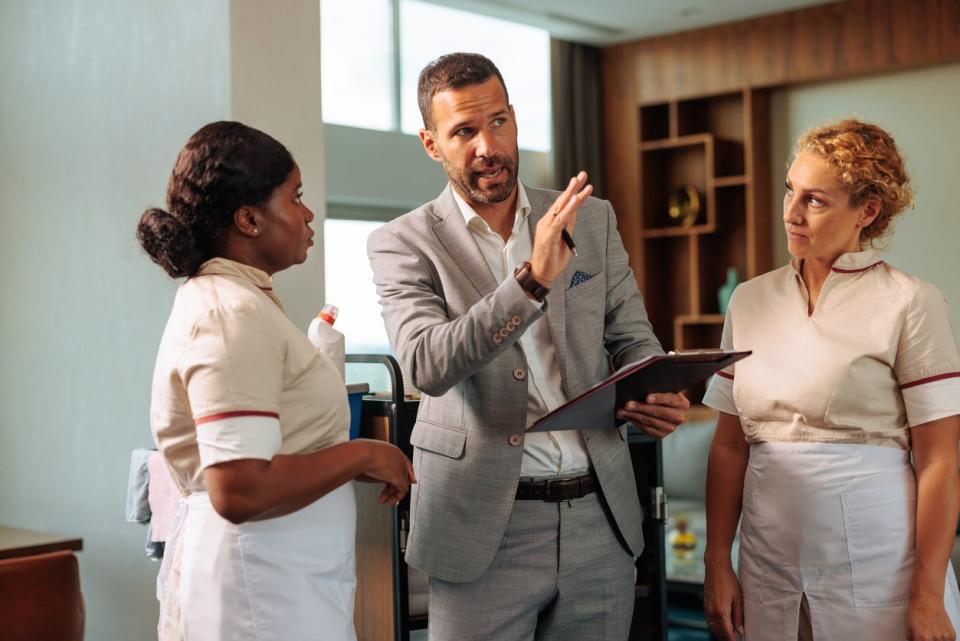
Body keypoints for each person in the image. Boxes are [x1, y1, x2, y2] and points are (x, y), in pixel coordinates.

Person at [367, 53, 689, 641]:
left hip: (599, 517)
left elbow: (633, 336)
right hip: (482, 524)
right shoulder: (402, 243)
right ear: (431, 144)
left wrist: (655, 389)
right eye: (463, 131)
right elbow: (427, 364)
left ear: (514, 119)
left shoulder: (590, 220)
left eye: (498, 122)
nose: (487, 146)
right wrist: (530, 280)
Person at [137, 121, 415, 641]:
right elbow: (239, 489)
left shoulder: (242, 301)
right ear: (249, 219)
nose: (309, 214)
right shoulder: (228, 313)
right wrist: (364, 454)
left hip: (283, 574)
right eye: (297, 197)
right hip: (260, 586)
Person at [702, 119, 960, 641]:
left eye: (815, 201)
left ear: (867, 211)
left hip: (878, 563)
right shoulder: (750, 299)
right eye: (790, 191)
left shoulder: (910, 302)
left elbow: (940, 459)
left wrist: (928, 596)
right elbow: (730, 446)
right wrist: (716, 561)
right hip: (766, 561)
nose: (791, 214)